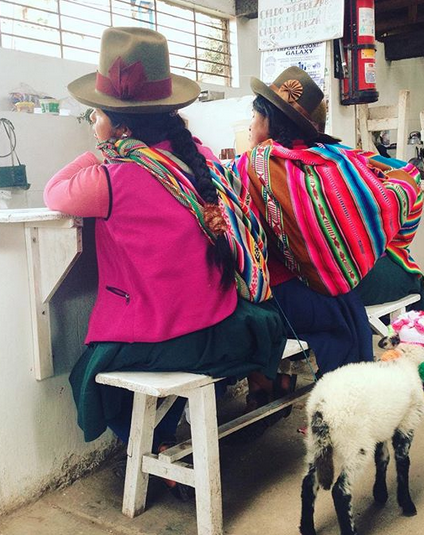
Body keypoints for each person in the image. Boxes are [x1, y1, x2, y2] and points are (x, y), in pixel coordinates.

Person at [43, 27, 286, 493]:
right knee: (167, 363)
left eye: (97, 113)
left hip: (167, 335)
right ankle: (162, 441)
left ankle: (154, 452)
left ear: (121, 124)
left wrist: (101, 148)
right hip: (225, 326)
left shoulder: (111, 178)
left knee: (88, 379)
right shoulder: (199, 159)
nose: (93, 119)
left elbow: (54, 191)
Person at [229, 66, 424, 379]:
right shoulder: (335, 161)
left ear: (268, 120)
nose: (251, 124)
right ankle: (341, 405)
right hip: (336, 289)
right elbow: (403, 178)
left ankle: (280, 386)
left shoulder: (252, 165)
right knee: (343, 317)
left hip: (277, 294)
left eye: (255, 115)